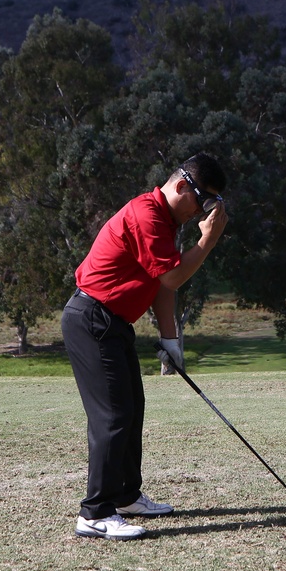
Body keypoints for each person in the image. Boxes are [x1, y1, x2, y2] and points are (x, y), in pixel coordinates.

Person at [61, 153, 228, 541]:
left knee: (131, 409)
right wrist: (209, 238)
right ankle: (95, 513)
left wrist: (170, 343)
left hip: (113, 324)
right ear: (182, 186)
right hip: (91, 319)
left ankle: (125, 496)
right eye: (204, 201)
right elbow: (172, 277)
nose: (202, 212)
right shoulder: (147, 215)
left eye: (212, 206)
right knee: (112, 417)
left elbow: (160, 288)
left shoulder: (165, 223)